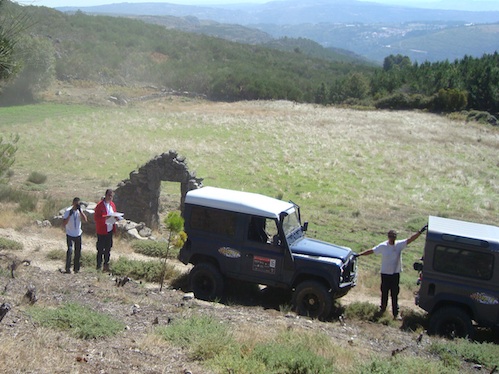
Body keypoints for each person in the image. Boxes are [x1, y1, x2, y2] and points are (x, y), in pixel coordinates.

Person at [356, 224, 428, 320]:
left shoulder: (399, 245)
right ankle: (382, 310)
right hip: (385, 274)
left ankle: (395, 313)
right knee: (384, 293)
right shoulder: (383, 246)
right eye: (391, 237)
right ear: (388, 237)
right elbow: (372, 251)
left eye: (394, 237)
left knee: (394, 294)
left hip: (395, 274)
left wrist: (420, 231)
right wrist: (359, 254)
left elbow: (410, 239)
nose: (392, 239)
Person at [94, 189, 122, 272]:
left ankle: (106, 265)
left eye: (112, 196)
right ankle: (98, 266)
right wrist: (105, 217)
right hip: (102, 230)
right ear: (106, 195)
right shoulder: (100, 205)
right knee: (100, 249)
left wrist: (116, 218)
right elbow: (96, 218)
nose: (110, 198)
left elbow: (114, 214)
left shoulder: (112, 205)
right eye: (109, 196)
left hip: (109, 230)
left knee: (108, 249)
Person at [62, 197, 87, 274]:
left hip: (78, 234)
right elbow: (64, 223)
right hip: (70, 233)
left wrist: (80, 211)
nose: (77, 205)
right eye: (76, 204)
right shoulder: (68, 211)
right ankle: (68, 267)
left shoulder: (80, 211)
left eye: (78, 204)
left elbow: (85, 220)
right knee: (70, 250)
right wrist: (70, 215)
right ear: (73, 203)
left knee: (78, 251)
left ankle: (76, 268)